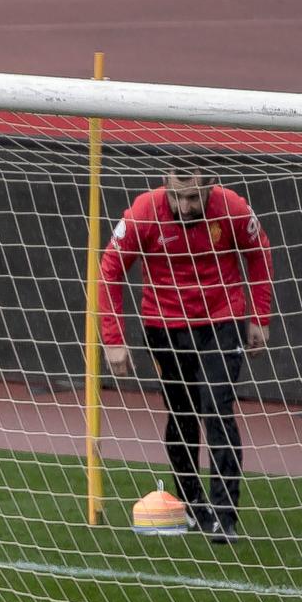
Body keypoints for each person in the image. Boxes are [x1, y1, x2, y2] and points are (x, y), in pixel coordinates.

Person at [98, 164, 274, 544]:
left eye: (195, 197)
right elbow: (110, 268)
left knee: (216, 408)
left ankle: (224, 516)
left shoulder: (232, 208)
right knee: (180, 416)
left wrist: (260, 316)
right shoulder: (144, 212)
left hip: (221, 321)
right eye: (179, 197)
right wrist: (113, 339)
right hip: (164, 326)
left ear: (210, 189)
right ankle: (193, 503)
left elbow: (259, 251)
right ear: (166, 187)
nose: (187, 206)